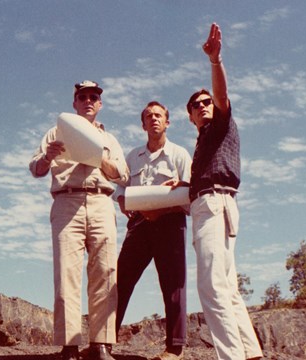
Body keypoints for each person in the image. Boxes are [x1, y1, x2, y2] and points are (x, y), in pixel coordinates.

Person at [29, 80, 129, 360]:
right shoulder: (55, 132)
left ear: (100, 104)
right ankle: (69, 344)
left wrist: (99, 157)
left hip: (100, 201)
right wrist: (47, 157)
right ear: (74, 102)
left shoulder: (110, 139)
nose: (88, 101)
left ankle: (101, 343)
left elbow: (122, 174)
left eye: (93, 97)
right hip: (66, 201)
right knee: (66, 273)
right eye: (82, 97)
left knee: (106, 272)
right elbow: (35, 168)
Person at [186, 23, 263, 360]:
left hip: (214, 205)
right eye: (196, 104)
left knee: (211, 286)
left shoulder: (221, 122)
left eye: (206, 101)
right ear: (190, 116)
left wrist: (215, 62)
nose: (203, 105)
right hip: (220, 203)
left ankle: (231, 357)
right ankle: (251, 352)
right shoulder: (204, 142)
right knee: (228, 286)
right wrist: (185, 186)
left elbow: (221, 96)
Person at [113, 101, 191, 360]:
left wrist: (163, 210)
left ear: (167, 122)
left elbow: (190, 193)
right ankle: (103, 342)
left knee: (173, 284)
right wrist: (123, 200)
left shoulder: (179, 154)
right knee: (120, 281)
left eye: (159, 115)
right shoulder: (133, 156)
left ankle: (174, 348)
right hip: (139, 224)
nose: (154, 119)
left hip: (170, 223)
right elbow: (120, 186)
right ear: (143, 124)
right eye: (148, 116)